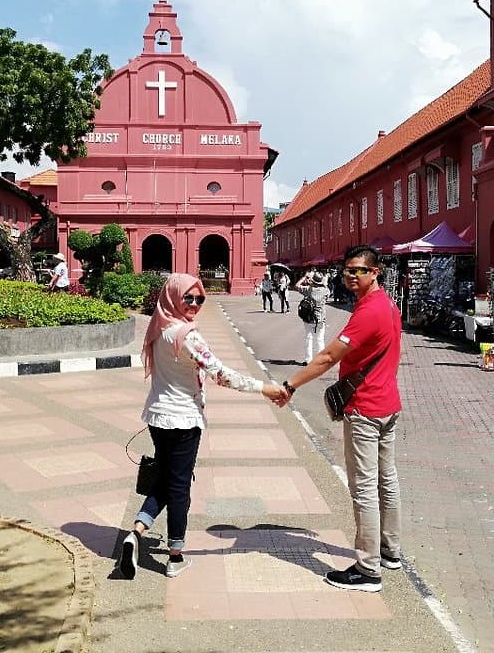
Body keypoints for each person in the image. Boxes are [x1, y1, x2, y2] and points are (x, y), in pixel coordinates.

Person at [119, 274, 289, 580]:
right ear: (173, 297)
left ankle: (136, 532)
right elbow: (221, 374)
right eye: (189, 298)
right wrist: (264, 388)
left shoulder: (158, 329)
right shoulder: (187, 335)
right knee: (179, 486)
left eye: (200, 299)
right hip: (183, 420)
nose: (195, 304)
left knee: (167, 478)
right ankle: (175, 555)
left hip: (158, 417)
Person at [277, 245, 402, 593]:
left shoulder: (370, 311)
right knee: (386, 479)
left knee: (364, 487)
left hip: (365, 409)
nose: (351, 275)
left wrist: (289, 385)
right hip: (388, 404)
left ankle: (367, 569)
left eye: (359, 270)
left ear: (375, 272)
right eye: (347, 269)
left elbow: (329, 355)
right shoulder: (388, 305)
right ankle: (390, 551)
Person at [295, 270, 329, 365]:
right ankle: (320, 360)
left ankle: (308, 359)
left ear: (313, 281)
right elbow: (326, 292)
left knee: (308, 337)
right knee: (320, 339)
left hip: (309, 318)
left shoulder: (309, 290)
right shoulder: (325, 290)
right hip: (320, 318)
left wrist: (304, 278)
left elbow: (297, 286)